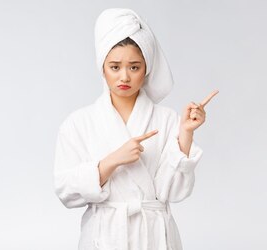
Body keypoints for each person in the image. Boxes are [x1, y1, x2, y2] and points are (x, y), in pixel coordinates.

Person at [53, 8, 218, 250]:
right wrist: (109, 162)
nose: (124, 77)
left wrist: (186, 133)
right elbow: (65, 191)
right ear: (102, 67)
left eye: (134, 67)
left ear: (146, 69)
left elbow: (171, 192)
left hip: (154, 237)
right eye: (115, 66)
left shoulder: (167, 119)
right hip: (104, 237)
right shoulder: (78, 123)